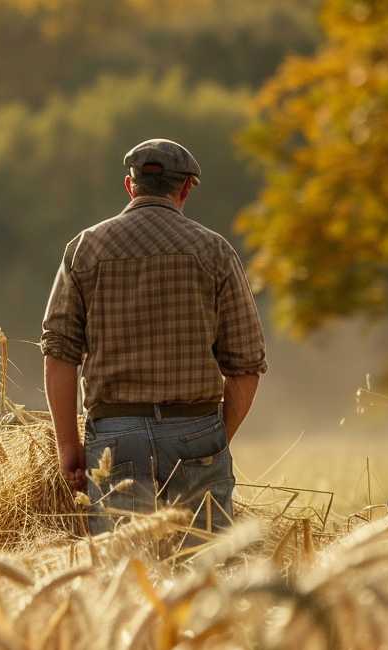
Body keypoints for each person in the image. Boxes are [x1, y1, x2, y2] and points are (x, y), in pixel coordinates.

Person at [40, 138, 266, 533]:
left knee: (126, 570)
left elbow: (59, 353)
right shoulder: (216, 252)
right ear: (186, 188)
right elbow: (246, 364)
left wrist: (67, 446)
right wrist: (215, 441)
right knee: (201, 568)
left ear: (130, 186)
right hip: (195, 429)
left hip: (114, 435)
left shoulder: (84, 250)